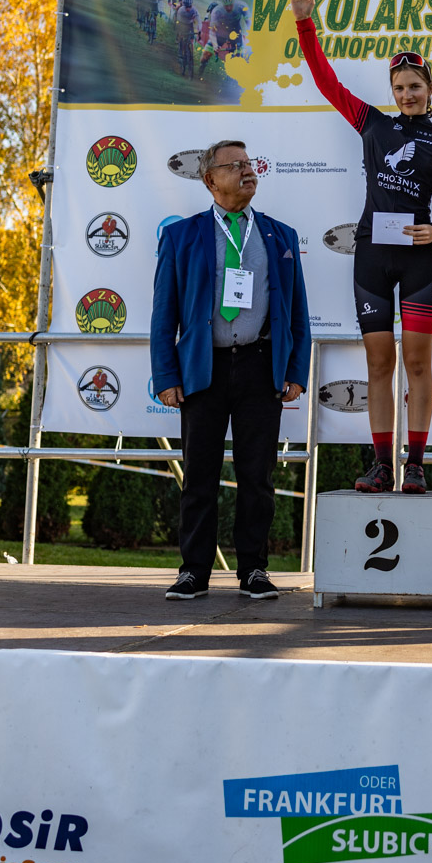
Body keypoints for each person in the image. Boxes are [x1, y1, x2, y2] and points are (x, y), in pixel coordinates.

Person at [290, 0, 432, 494]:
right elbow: (326, 82)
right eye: (399, 88)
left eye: (415, 87)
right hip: (371, 255)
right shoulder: (373, 124)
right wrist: (305, 24)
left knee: (417, 363)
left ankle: (416, 464)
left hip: (417, 261)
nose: (407, 94)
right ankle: (382, 465)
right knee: (378, 362)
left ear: (429, 89)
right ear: (392, 93)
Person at [151, 140, 311, 602]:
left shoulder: (281, 236)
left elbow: (297, 312)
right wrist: (166, 376)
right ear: (210, 180)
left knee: (257, 476)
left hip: (261, 367)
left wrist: (296, 370)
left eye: (249, 163)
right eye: (235, 165)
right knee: (199, 475)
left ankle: (254, 570)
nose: (247, 170)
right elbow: (163, 315)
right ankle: (193, 572)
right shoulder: (181, 236)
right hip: (203, 369)